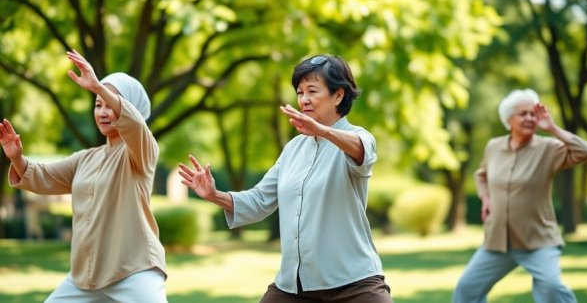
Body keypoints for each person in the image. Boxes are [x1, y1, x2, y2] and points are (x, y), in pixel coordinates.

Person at [178, 54, 393, 303]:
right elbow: (259, 200)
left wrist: (322, 130)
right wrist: (215, 195)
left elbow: (362, 152)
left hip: (354, 284)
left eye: (312, 91)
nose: (304, 100)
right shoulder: (293, 149)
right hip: (294, 287)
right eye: (300, 92)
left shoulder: (358, 137)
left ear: (338, 95)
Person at [0, 50, 168, 302]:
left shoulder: (141, 151)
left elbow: (135, 126)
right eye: (97, 105)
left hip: (134, 270)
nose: (102, 112)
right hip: (85, 278)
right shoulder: (86, 158)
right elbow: (42, 175)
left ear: (128, 110)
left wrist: (98, 87)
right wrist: (16, 158)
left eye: (109, 105)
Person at [453, 88, 587, 303]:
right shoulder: (494, 147)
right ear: (509, 120)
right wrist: (486, 198)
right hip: (497, 242)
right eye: (523, 114)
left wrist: (553, 128)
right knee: (466, 290)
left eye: (533, 114)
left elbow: (585, 152)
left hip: (538, 240)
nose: (530, 118)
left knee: (551, 288)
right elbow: (481, 175)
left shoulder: (548, 148)